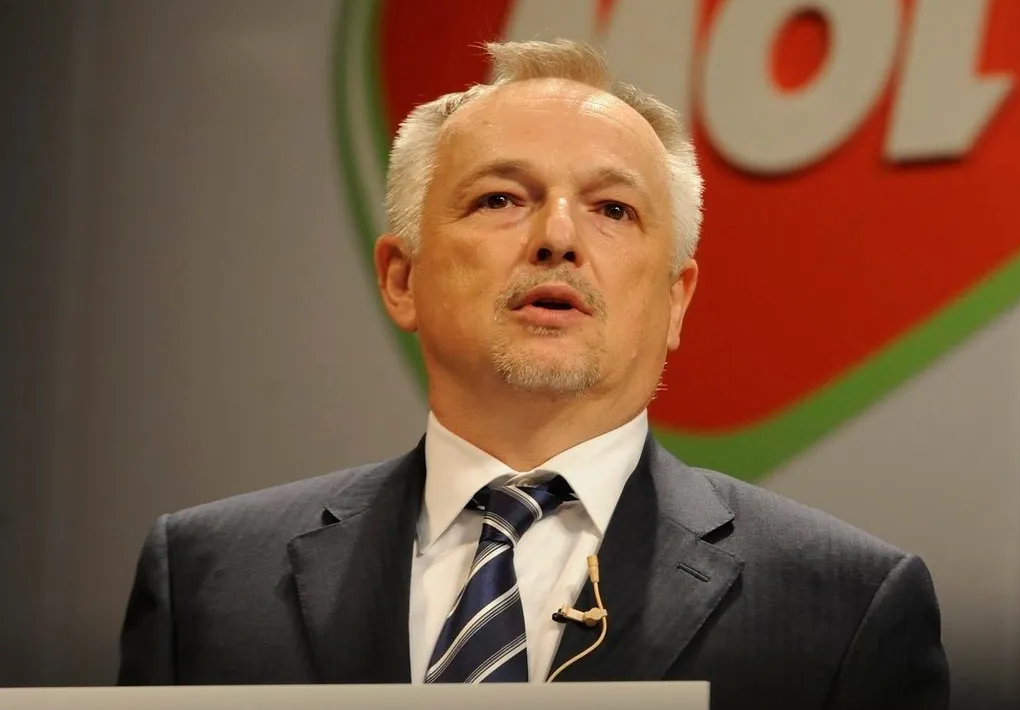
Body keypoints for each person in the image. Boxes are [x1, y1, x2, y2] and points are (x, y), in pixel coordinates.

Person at [116, 38, 949, 708]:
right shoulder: (206, 579)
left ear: (675, 301)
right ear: (401, 279)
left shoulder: (843, 607)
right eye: (500, 199)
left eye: (612, 209)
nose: (557, 238)